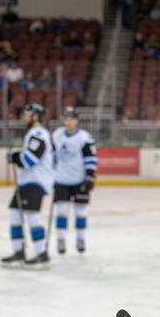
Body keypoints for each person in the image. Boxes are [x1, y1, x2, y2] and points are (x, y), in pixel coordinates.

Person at [2, 104, 54, 266]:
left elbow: (29, 160)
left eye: (27, 114)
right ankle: (18, 252)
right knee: (14, 214)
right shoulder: (32, 133)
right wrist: (18, 157)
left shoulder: (39, 134)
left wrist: (15, 157)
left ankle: (41, 253)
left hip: (36, 181)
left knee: (32, 216)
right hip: (27, 182)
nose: (24, 117)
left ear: (36, 116)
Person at [52, 107, 97, 254]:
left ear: (77, 120)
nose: (69, 121)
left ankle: (80, 238)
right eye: (66, 118)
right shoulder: (57, 135)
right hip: (61, 180)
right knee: (62, 212)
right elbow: (51, 157)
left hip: (79, 180)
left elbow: (90, 158)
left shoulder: (85, 137)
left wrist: (90, 176)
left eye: (71, 118)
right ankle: (61, 240)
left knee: (80, 212)